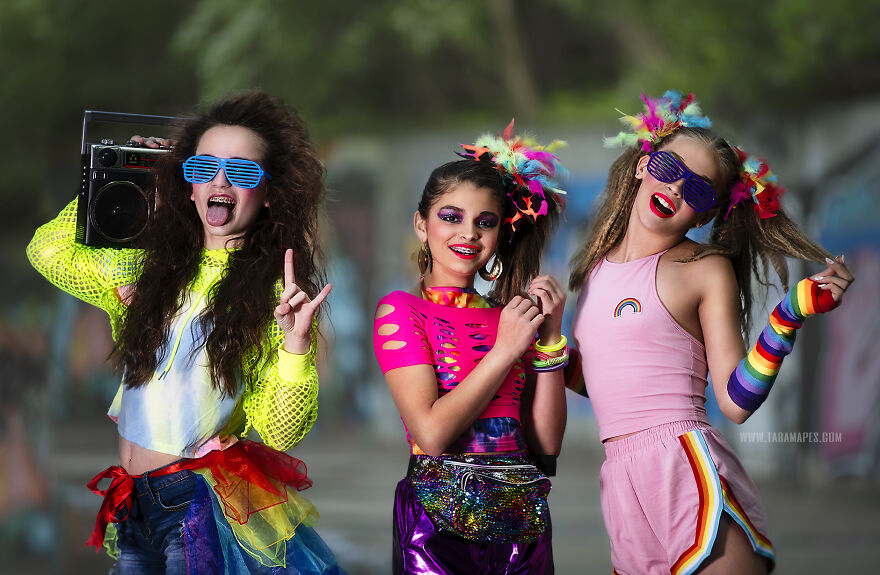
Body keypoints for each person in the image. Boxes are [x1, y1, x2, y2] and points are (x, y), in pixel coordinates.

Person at [27, 91, 345, 574]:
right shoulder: (148, 270)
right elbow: (47, 251)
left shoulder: (276, 294)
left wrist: (296, 346)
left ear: (268, 192)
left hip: (196, 502)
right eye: (203, 169)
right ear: (187, 185)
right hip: (131, 498)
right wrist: (121, 176)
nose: (220, 181)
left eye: (241, 172)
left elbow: (282, 432)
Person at [567, 90, 854, 574]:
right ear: (643, 165)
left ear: (704, 214)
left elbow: (736, 402)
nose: (677, 190)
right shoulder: (593, 270)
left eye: (698, 191)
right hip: (621, 484)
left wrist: (791, 312)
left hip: (684, 469)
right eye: (668, 169)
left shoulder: (704, 269)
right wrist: (532, 345)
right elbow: (599, 382)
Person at [372, 122, 569, 574]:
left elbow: (547, 443)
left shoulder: (514, 317)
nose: (469, 233)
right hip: (437, 522)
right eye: (450, 217)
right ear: (421, 224)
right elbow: (432, 434)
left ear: (501, 232)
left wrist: (551, 335)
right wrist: (504, 351)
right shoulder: (401, 310)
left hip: (523, 517)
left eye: (486, 222)